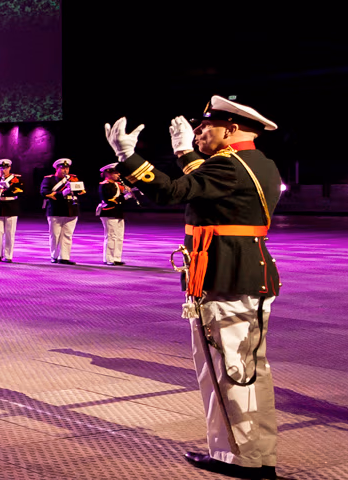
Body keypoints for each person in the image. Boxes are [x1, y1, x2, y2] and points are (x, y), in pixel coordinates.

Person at [104, 95, 283, 480]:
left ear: (230, 129)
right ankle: (258, 454)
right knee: (249, 371)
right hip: (244, 274)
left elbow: (174, 191)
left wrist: (128, 157)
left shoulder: (229, 165)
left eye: (204, 127)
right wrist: (185, 151)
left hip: (225, 278)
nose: (198, 131)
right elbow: (203, 184)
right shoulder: (255, 162)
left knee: (227, 371)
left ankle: (238, 459)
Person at [41, 158, 83, 265]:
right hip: (56, 209)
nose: (65, 170)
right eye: (62, 168)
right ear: (56, 168)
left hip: (71, 209)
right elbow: (44, 192)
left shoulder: (73, 178)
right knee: (55, 235)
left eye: (67, 168)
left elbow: (81, 191)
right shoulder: (49, 179)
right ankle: (54, 256)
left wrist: (73, 190)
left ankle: (64, 257)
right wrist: (61, 193)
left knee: (67, 235)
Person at [0, 159, 25, 263]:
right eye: (1, 168)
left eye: (5, 168)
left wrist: (9, 188)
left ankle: (8, 255)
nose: (3, 170)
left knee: (10, 232)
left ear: (9, 168)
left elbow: (20, 191)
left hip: (11, 206)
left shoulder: (16, 178)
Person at [97, 164, 130, 266]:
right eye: (116, 173)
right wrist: (125, 197)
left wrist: (129, 192)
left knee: (119, 236)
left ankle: (117, 257)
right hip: (109, 212)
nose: (118, 175)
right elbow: (109, 200)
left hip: (118, 212)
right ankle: (109, 258)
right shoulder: (104, 185)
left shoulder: (117, 184)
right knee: (111, 236)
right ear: (108, 174)